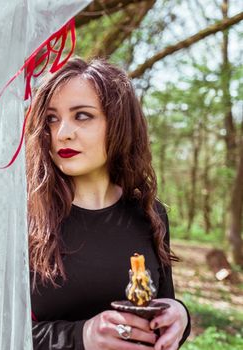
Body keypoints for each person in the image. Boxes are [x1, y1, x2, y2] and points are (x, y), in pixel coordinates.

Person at [25, 58, 191, 350]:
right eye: (52, 118)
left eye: (82, 116)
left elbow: (161, 306)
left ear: (118, 124)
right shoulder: (23, 217)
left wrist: (181, 317)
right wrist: (81, 336)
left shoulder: (150, 214)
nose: (62, 132)